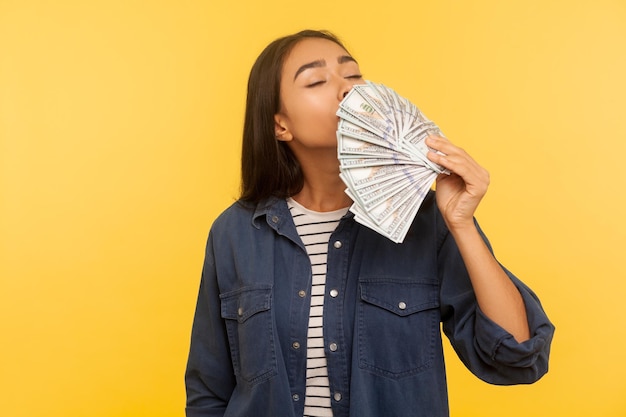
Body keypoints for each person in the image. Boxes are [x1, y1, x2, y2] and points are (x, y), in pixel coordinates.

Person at [185, 29, 555, 417]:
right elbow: (208, 393)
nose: (346, 91)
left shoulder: (426, 223)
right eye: (316, 81)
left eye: (354, 76)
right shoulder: (235, 233)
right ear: (281, 126)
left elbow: (518, 355)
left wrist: (461, 224)